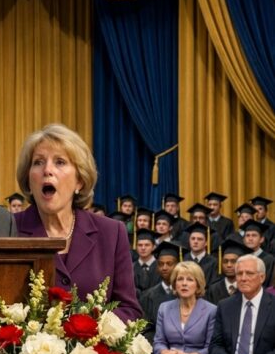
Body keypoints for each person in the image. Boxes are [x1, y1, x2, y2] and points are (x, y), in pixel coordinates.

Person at [13, 123, 141, 322]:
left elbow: (129, 310)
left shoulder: (111, 233)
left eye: (60, 162)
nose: (47, 170)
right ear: (29, 180)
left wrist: (89, 328)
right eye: (38, 162)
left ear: (79, 181)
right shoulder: (9, 229)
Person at [190, 255, 275, 354]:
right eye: (239, 274)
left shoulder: (272, 305)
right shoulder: (226, 305)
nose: (243, 278)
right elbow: (216, 344)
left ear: (262, 277)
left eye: (249, 273)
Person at [153, 261, 216, 354]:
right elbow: (159, 341)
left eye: (190, 279)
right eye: (180, 279)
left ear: (198, 284)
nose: (184, 283)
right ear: (174, 284)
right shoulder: (164, 308)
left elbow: (211, 348)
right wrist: (164, 352)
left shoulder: (211, 310)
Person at [140, 241, 186, 342]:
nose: (164, 268)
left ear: (178, 265)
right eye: (161, 264)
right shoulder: (147, 296)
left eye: (169, 264)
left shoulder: (188, 294)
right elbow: (146, 330)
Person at [206, 238, 252, 305]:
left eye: (233, 261)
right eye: (225, 261)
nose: (229, 265)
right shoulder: (213, 289)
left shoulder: (248, 288)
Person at [239, 219, 275, 286]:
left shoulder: (269, 259)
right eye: (247, 235)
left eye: (254, 235)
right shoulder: (240, 258)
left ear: (261, 239)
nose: (250, 238)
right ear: (243, 239)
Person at [184, 222, 219, 287]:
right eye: (193, 238)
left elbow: (213, 285)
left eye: (199, 239)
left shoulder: (213, 262)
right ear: (189, 241)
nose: (195, 241)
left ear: (206, 243)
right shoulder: (183, 260)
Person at [133, 229, 161, 297]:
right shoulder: (130, 267)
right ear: (136, 247)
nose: (143, 248)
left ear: (153, 247)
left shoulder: (161, 267)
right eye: (140, 245)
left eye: (147, 245)